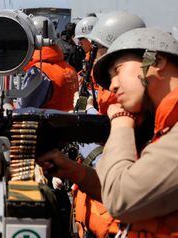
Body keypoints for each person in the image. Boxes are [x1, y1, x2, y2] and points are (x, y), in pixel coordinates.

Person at [38, 11, 147, 238]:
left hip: (114, 221)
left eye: (102, 51)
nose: (93, 55)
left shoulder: (134, 108)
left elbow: (125, 181)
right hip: (95, 209)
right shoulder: (111, 94)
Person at [91, 27, 178, 237]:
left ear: (156, 61)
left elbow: (121, 197)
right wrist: (76, 173)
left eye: (118, 71)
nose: (112, 86)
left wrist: (121, 124)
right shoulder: (165, 128)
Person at [18, 16, 78, 112]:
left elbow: (25, 111)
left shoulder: (37, 73)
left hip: (43, 126)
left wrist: (7, 104)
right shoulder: (71, 70)